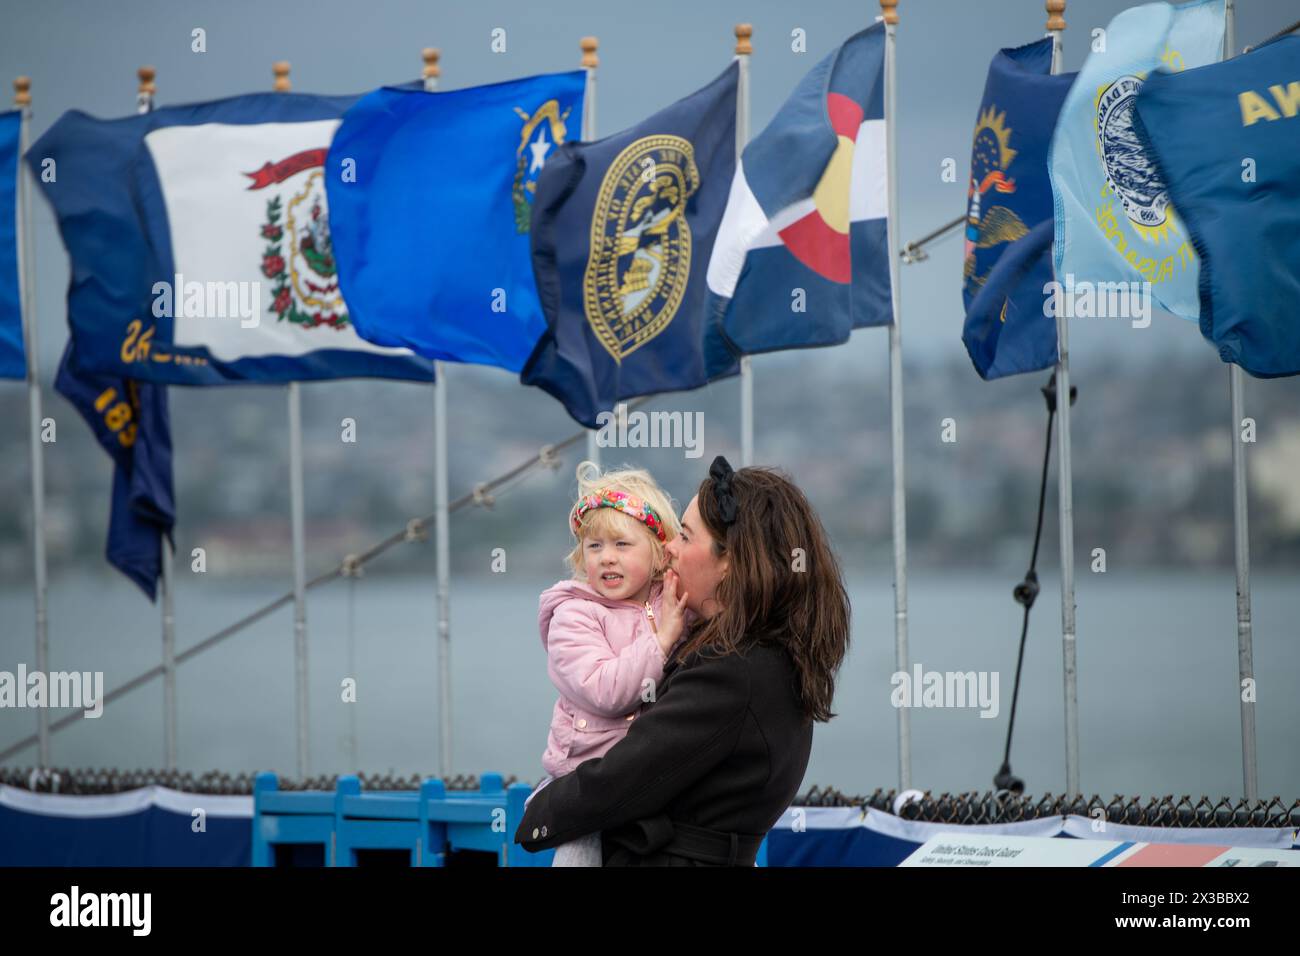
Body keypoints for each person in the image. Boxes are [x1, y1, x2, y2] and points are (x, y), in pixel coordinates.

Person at [516, 455, 851, 866]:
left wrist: (541, 812)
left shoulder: (732, 671)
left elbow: (631, 774)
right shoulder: (764, 653)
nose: (669, 548)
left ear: (728, 561)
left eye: (686, 536)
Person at [527, 461, 691, 866]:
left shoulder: (670, 603)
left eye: (622, 545)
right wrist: (663, 639)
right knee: (579, 852)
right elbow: (606, 692)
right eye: (594, 546)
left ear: (657, 551)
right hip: (588, 779)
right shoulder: (573, 616)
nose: (606, 558)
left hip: (652, 773)